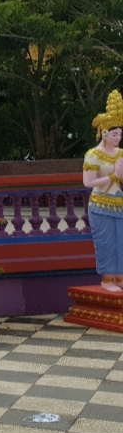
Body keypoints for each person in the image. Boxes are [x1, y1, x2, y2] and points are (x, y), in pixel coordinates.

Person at [84, 90, 123, 292]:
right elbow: (88, 182)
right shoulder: (93, 155)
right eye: (115, 134)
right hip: (100, 204)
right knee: (106, 243)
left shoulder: (121, 153)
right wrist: (114, 176)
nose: (118, 138)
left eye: (120, 135)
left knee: (120, 242)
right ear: (105, 133)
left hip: (119, 204)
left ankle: (120, 277)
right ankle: (108, 279)